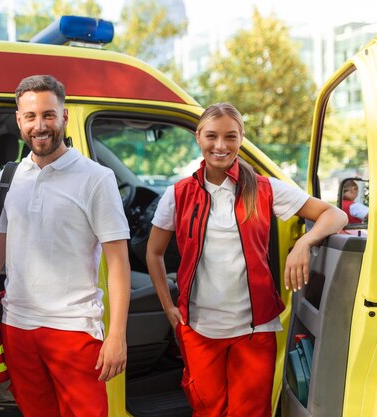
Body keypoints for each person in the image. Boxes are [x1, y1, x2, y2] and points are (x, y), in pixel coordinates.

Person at [146, 103, 347, 417]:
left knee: (250, 412)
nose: (221, 145)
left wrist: (304, 243)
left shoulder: (265, 188)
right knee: (207, 410)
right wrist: (168, 307)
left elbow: (334, 214)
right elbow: (154, 253)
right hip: (199, 328)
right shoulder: (177, 194)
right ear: (198, 137)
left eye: (230, 136)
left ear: (241, 138)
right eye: (212, 136)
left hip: (254, 330)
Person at [0, 74, 131, 417]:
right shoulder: (9, 176)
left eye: (48, 115)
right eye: (30, 117)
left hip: (75, 329)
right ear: (19, 121)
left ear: (63, 116)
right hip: (17, 325)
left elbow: (118, 263)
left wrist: (117, 335)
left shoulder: (96, 178)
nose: (40, 125)